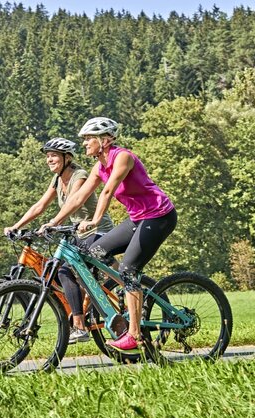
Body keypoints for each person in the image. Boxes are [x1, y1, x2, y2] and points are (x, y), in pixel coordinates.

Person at [40, 117, 177, 351]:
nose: (84, 144)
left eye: (88, 139)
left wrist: (93, 221)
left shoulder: (122, 157)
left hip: (159, 216)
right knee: (92, 254)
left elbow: (107, 192)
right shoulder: (99, 166)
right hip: (137, 219)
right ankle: (126, 294)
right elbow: (78, 197)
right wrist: (53, 222)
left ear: (104, 140)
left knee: (128, 269)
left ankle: (134, 334)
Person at [4, 137, 114, 344]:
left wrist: (53, 223)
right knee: (59, 272)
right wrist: (16, 226)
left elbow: (74, 201)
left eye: (53, 155)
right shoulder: (57, 180)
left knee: (64, 271)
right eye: (47, 156)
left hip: (98, 232)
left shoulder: (79, 175)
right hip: (76, 234)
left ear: (67, 157)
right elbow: (40, 205)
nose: (49, 160)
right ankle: (81, 311)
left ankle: (80, 327)